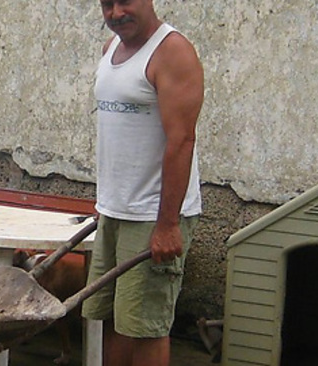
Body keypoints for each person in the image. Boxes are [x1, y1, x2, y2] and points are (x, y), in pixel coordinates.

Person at [81, 0, 204, 366]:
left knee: (146, 328)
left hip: (153, 214)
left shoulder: (173, 52)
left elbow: (182, 141)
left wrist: (168, 225)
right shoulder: (111, 50)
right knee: (112, 319)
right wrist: (106, 204)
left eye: (124, 1)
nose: (115, 13)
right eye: (106, 4)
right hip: (115, 211)